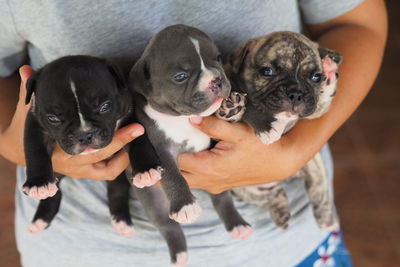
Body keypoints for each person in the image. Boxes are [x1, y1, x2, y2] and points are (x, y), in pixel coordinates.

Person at [0, 0, 387, 266]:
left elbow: (357, 23)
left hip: (279, 244)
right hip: (84, 249)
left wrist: (295, 149)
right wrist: (21, 147)